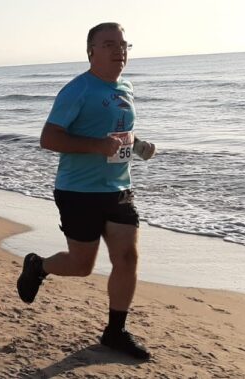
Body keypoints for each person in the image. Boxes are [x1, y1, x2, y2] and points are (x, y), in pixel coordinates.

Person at [17, 22, 157, 360]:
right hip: (78, 190)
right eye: (109, 44)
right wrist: (96, 146)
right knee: (82, 266)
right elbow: (49, 138)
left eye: (123, 44)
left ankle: (115, 332)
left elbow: (119, 132)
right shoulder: (77, 90)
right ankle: (38, 266)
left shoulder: (126, 87)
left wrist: (139, 146)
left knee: (128, 258)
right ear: (91, 51)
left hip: (119, 187)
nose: (118, 50)